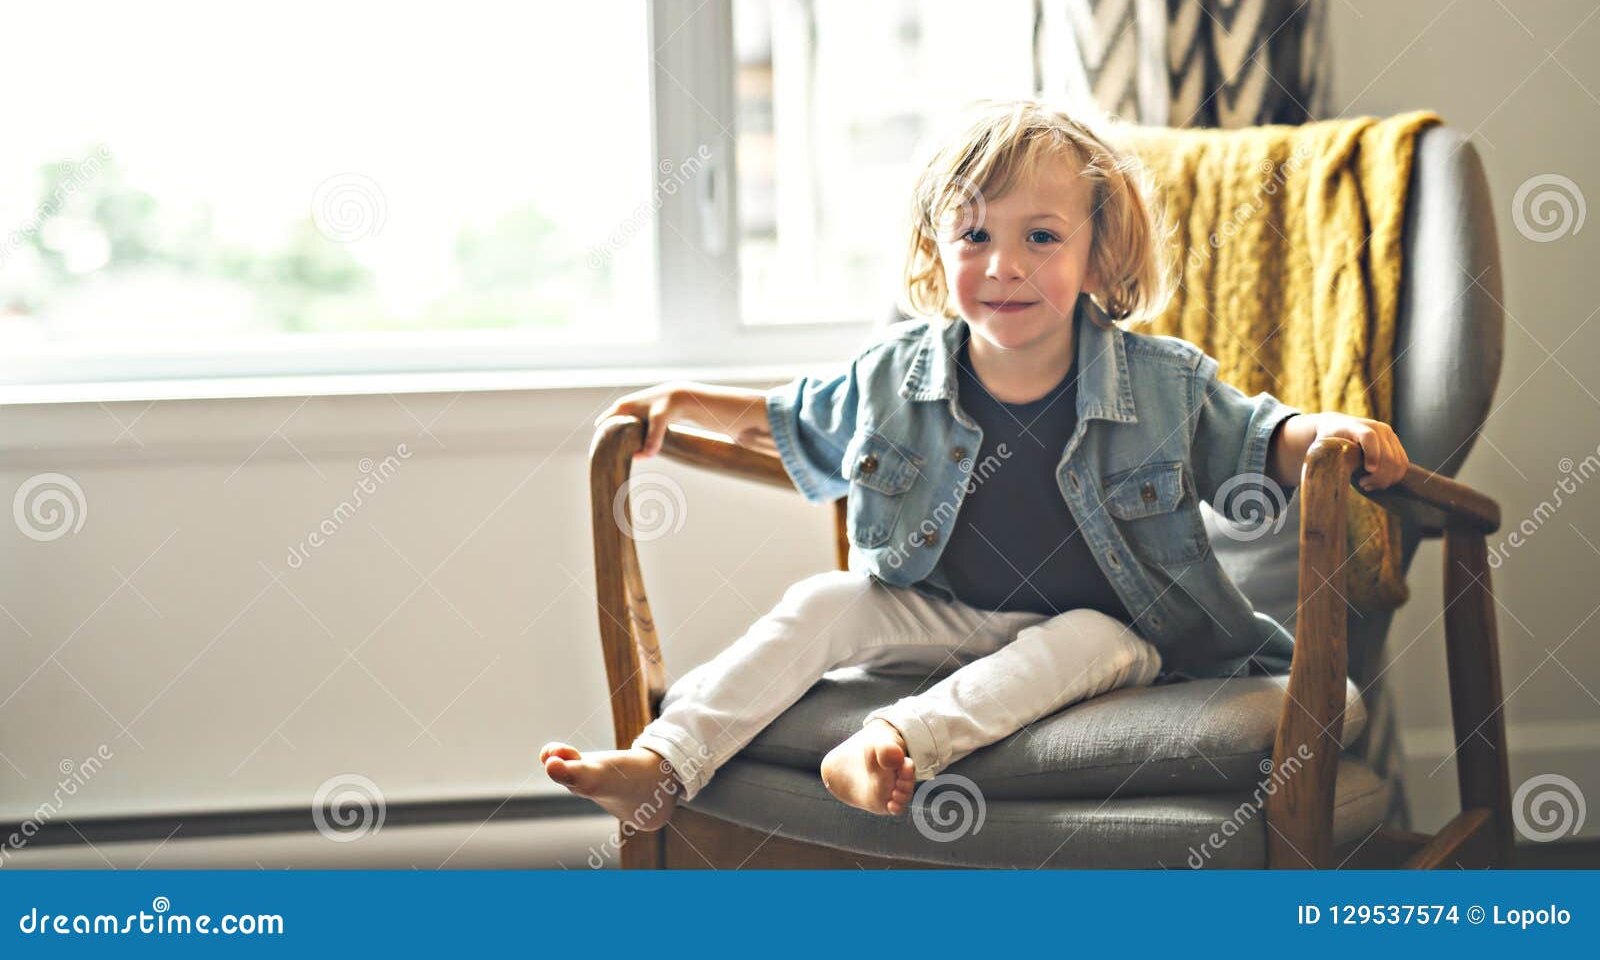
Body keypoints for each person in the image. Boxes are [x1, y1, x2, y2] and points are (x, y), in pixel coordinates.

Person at [540, 97, 1410, 832]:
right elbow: (792, 420)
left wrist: (1331, 428)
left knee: (1085, 636)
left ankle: (891, 744)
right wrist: (683, 399)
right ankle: (665, 761)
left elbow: (1262, 437)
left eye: (1040, 236)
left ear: (1096, 252)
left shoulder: (1160, 382)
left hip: (1112, 636)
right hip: (943, 619)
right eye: (973, 235)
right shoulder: (895, 374)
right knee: (828, 599)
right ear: (935, 250)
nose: (1003, 266)